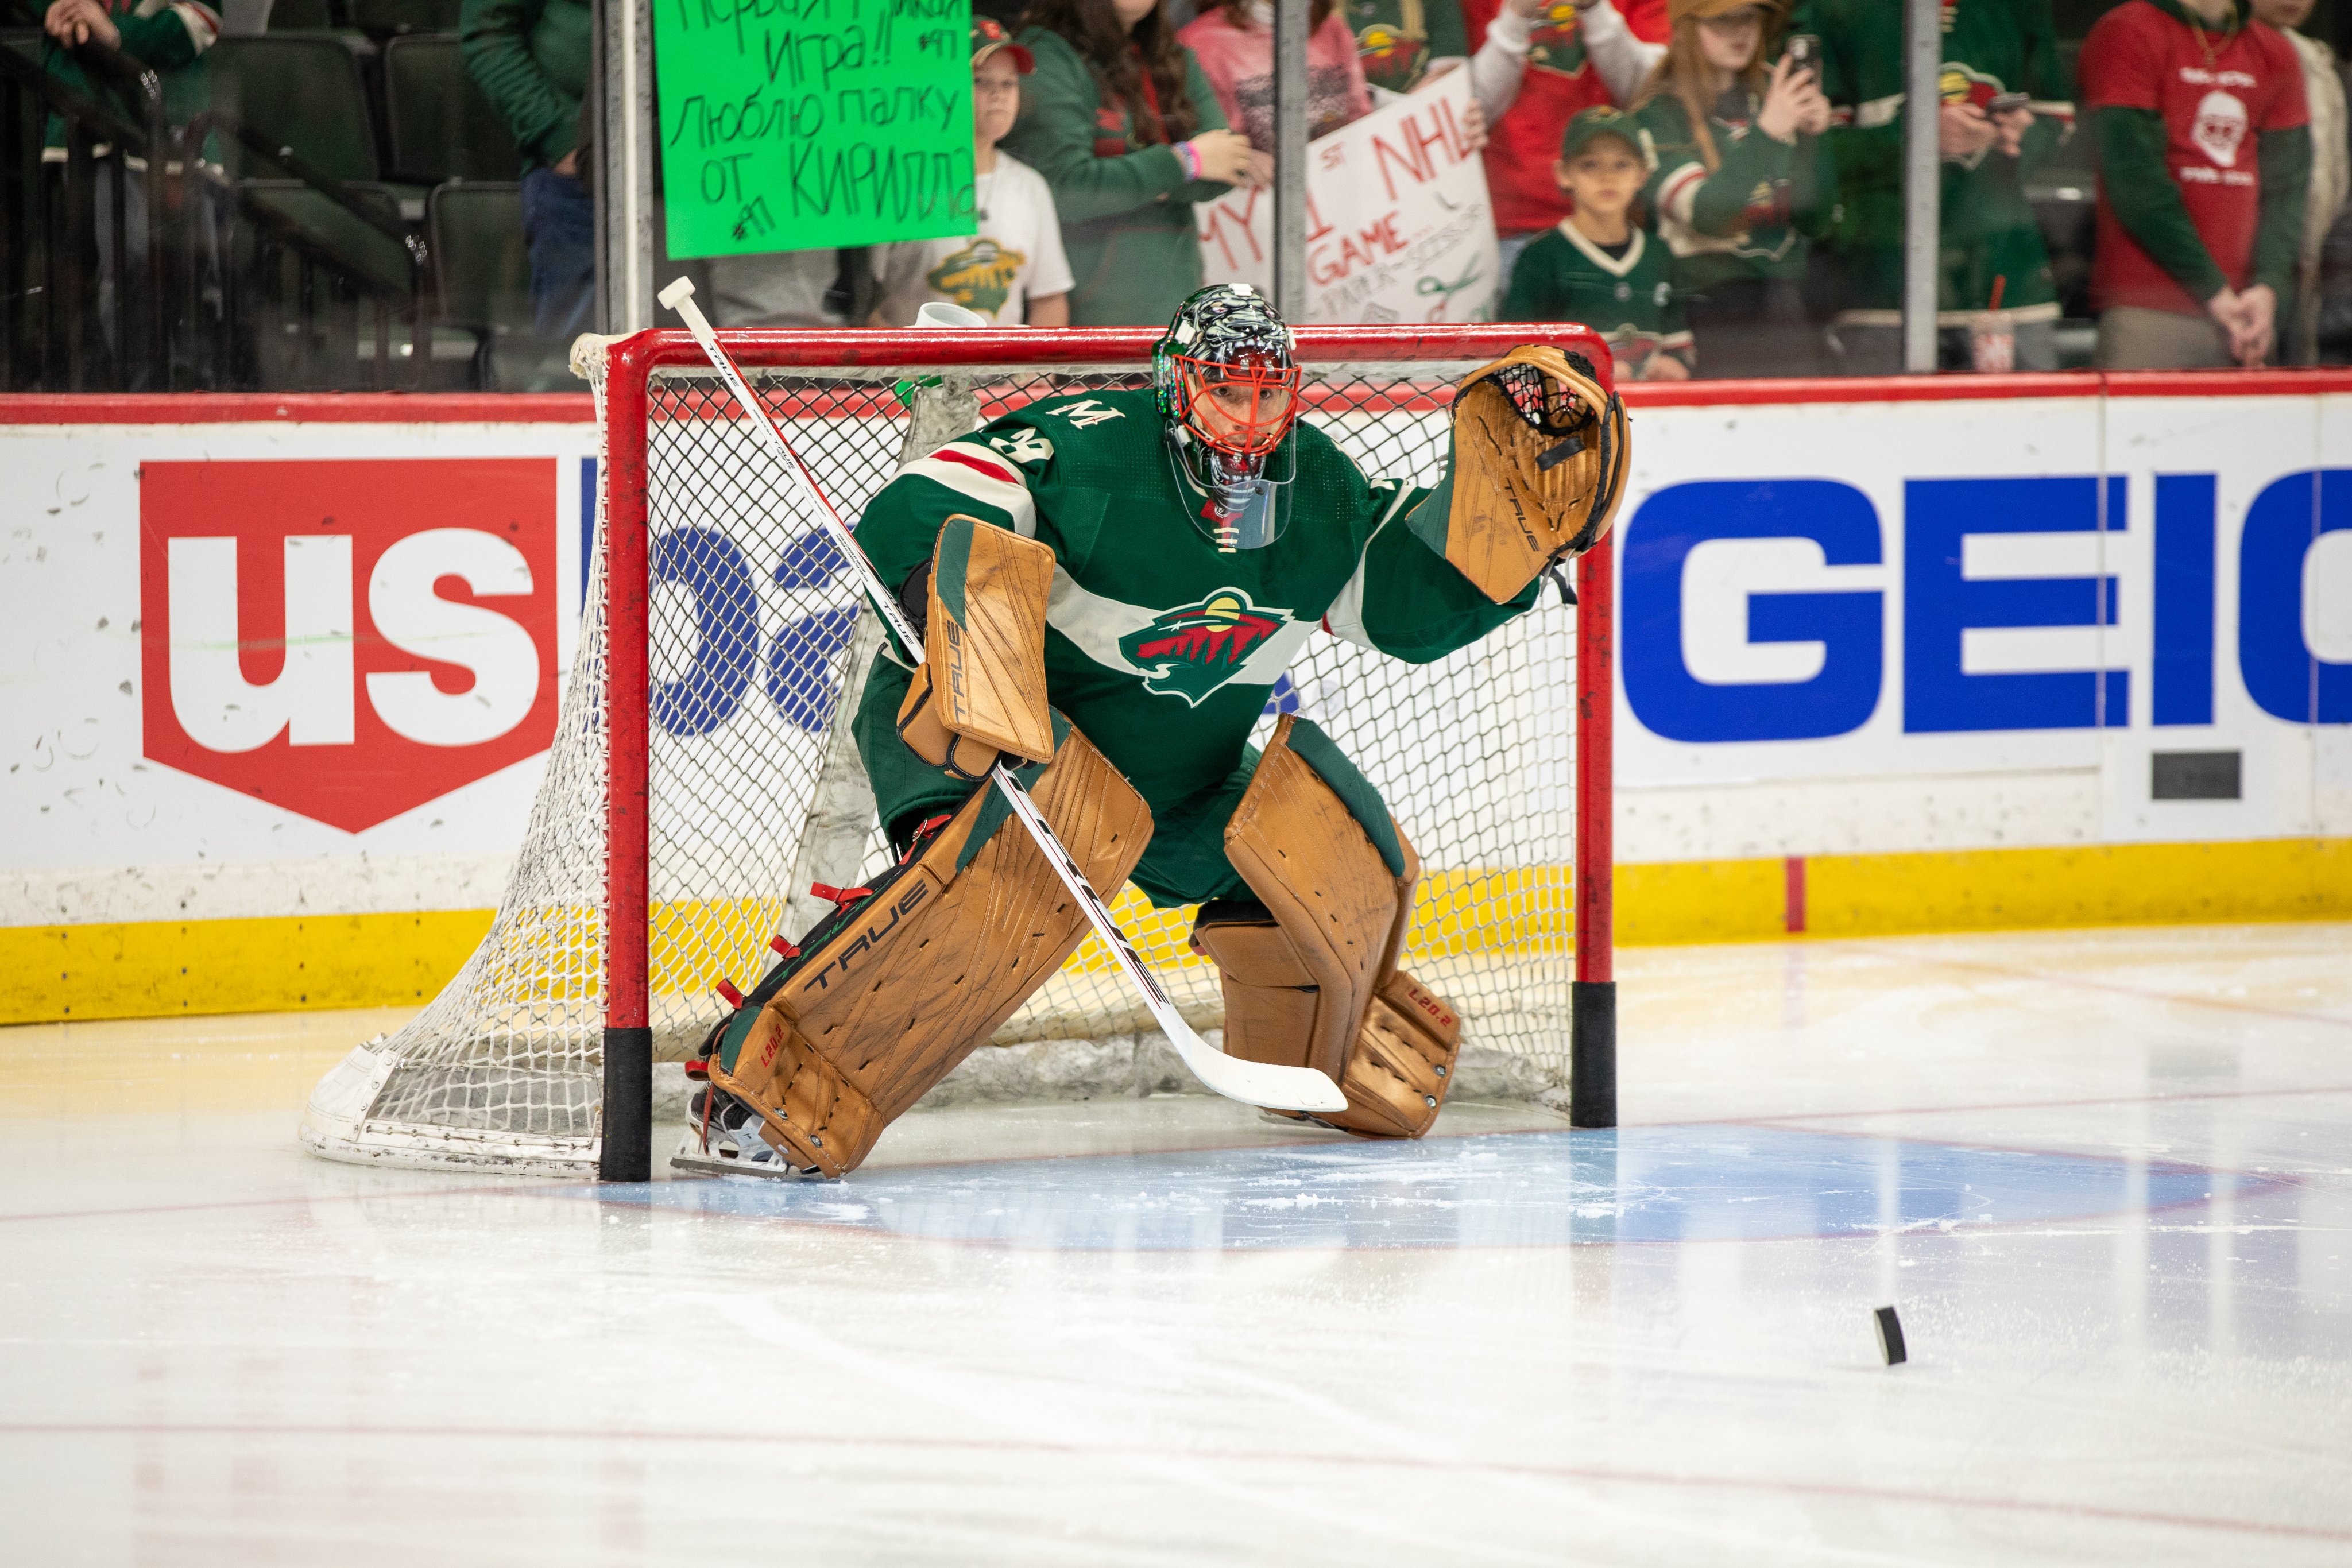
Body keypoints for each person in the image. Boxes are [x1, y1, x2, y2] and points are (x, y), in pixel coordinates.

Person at [681, 285, 1628, 1177]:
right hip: (1007, 732)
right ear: (1176, 386)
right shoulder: (1097, 448)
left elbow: (1405, 608)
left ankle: (1313, 1063)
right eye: (1225, 393)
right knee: (988, 887)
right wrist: (961, 597)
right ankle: (755, 1093)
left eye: (1269, 397)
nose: (1249, 423)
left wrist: (1506, 552)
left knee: (1334, 868)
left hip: (1171, 777)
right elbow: (933, 495)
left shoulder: (1322, 495)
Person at [1799, 0, 2075, 374]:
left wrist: (2009, 137)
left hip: (2004, 280)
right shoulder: (1840, 9)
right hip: (1882, 287)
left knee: (2023, 428)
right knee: (1888, 432)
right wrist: (1915, 135)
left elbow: (2056, 123)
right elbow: (1814, 153)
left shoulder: (2020, 8)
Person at [2080, 0, 2310, 369]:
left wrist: (2268, 287)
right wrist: (2216, 293)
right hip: (2152, 306)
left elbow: (2287, 189)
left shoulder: (2275, 50)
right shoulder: (2130, 29)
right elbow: (2135, 181)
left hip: (2249, 314)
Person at [1001, 0, 1257, 325]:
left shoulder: (1171, 55)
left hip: (1176, 307)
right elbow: (1067, 190)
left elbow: (1227, 163)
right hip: (1081, 318)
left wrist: (1120, 182)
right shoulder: (1046, 56)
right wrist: (1186, 161)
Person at [1632, 0, 1833, 377]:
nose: (1739, 31)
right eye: (1722, 20)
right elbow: (1709, 214)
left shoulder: (1778, 92)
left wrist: (1813, 139)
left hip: (1788, 307)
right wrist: (1770, 133)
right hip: (1703, 310)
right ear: (1689, 27)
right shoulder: (1659, 115)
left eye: (1748, 17)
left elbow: (1816, 220)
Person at [40, 0, 219, 384]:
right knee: (127, 266)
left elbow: (196, 23)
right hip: (91, 126)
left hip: (179, 125)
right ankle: (139, 401)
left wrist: (117, 33)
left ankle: (199, 403)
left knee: (196, 276)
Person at [872, 20, 1076, 328]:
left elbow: (1049, 299)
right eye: (980, 81)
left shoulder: (1030, 186)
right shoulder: (896, 183)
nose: (999, 94)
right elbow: (862, 304)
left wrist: (1034, 373)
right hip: (914, 375)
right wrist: (906, 371)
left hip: (1007, 376)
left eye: (1009, 83)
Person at [1468, 0, 1673, 284]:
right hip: (1512, 225)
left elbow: (1650, 97)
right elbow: (1466, 109)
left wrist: (1594, 9)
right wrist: (1516, 15)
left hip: (1616, 223)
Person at [1503, 106, 1693, 379]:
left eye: (1622, 164)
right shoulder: (1542, 256)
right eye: (1590, 165)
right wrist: (1589, 375)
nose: (1607, 177)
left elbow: (1678, 347)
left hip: (1651, 413)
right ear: (1563, 173)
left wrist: (1672, 367)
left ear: (1642, 175)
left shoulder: (1659, 253)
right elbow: (1517, 359)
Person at [461, 0, 593, 352]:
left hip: (715, 163)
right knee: (575, 370)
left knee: (715, 369)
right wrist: (560, 138)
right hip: (581, 183)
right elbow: (490, 29)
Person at [2249, 0, 2348, 363]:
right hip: (2239, 262)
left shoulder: (2319, 64)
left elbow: (2335, 172)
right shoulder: (2222, 51)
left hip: (2310, 258)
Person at [1180, 0, 1375, 152]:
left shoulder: (1331, 28)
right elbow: (1195, 147)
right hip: (1253, 195)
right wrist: (1241, 160)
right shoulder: (1198, 44)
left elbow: (1360, 118)